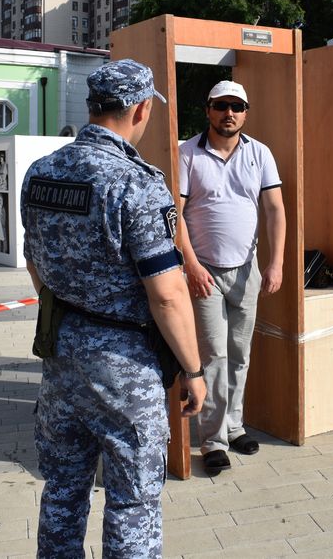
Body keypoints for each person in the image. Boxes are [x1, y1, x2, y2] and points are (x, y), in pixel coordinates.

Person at [20, 59, 207, 558]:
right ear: (141, 109)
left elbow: (34, 262)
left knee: (62, 489)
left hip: (61, 355)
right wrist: (192, 369)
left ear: (92, 106)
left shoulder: (42, 172)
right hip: (125, 366)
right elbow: (167, 294)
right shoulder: (137, 183)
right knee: (132, 502)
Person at [177, 80, 285, 477]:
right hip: (204, 272)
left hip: (247, 269)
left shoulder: (260, 153)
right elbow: (175, 214)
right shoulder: (187, 153)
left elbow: (274, 210)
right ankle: (213, 441)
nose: (229, 113)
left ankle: (234, 426)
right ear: (208, 109)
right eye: (222, 105)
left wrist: (275, 263)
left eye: (237, 107)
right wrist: (191, 265)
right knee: (214, 357)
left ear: (245, 113)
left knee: (240, 353)